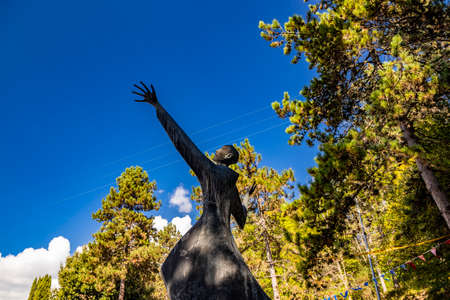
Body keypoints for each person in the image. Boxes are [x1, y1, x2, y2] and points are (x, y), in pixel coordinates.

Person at [133, 82, 270, 299]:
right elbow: (242, 219)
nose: (214, 151)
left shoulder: (210, 171)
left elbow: (183, 143)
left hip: (207, 238)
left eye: (219, 150)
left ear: (225, 157)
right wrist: (246, 195)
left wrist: (158, 107)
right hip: (226, 244)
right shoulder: (232, 187)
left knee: (173, 271)